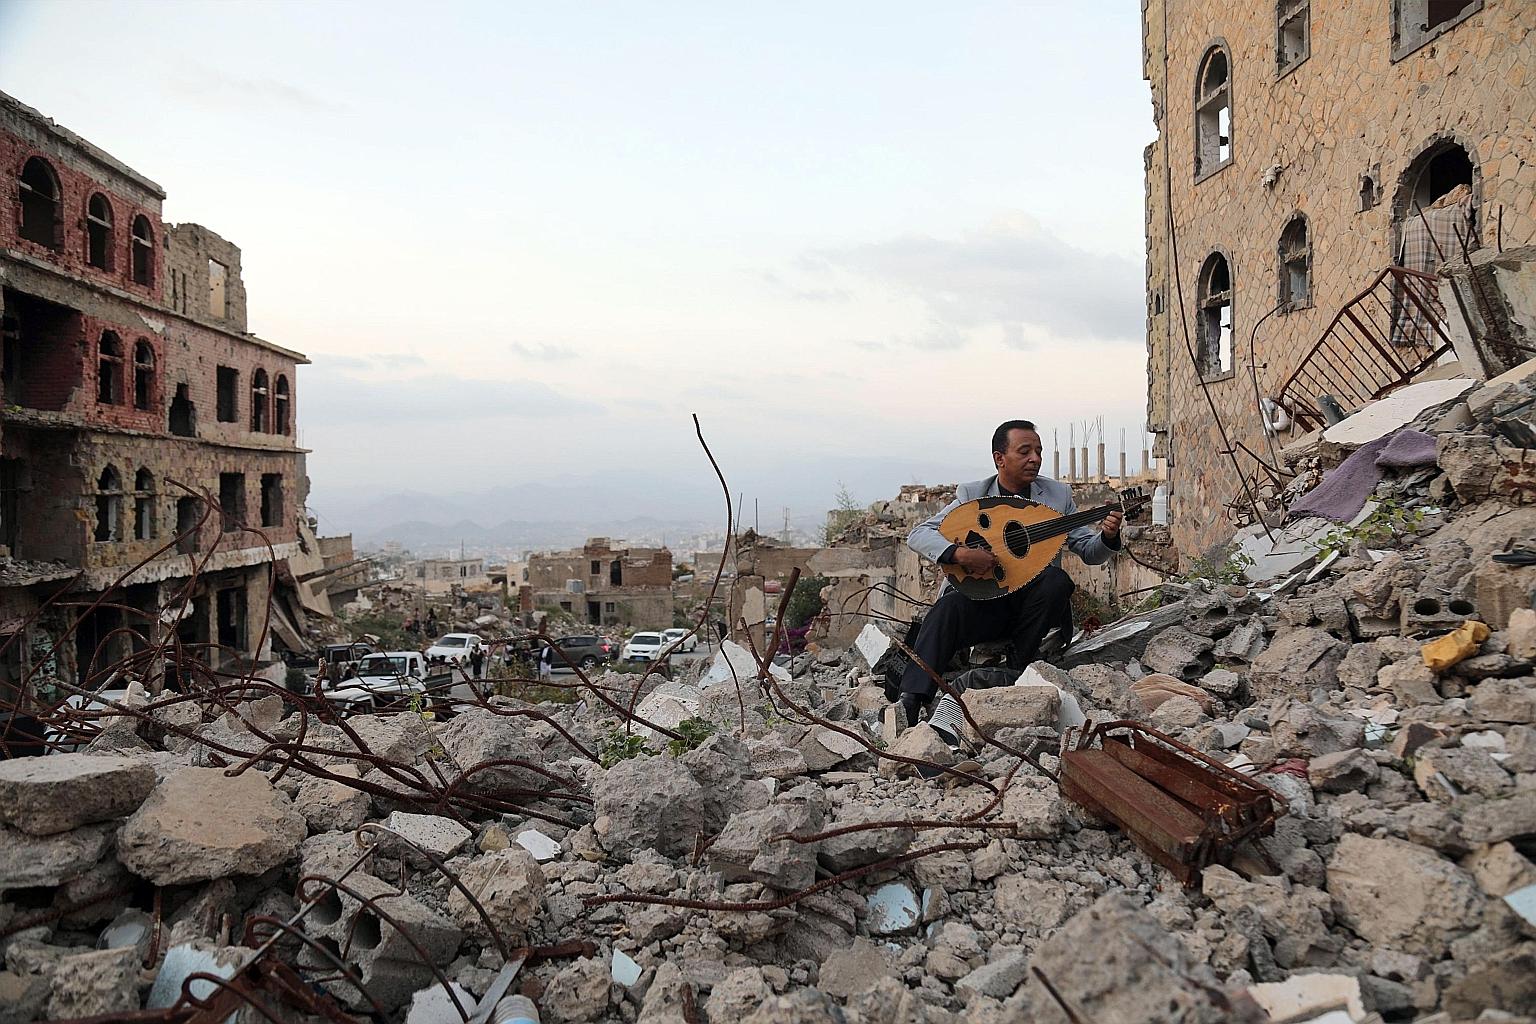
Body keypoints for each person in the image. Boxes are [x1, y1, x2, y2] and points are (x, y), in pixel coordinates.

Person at [899, 419, 1124, 733]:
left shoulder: (1056, 497)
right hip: (985, 604)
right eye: (1025, 451)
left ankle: (1017, 668)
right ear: (999, 458)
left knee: (1056, 581)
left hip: (1032, 609)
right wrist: (960, 554)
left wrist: (1109, 537)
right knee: (946, 608)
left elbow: (1088, 550)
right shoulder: (973, 495)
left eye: (1038, 451)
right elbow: (920, 534)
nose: (1035, 458)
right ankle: (911, 698)